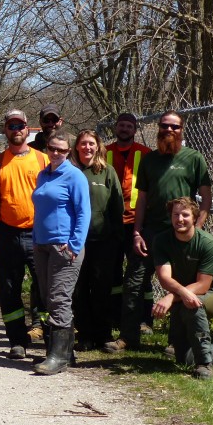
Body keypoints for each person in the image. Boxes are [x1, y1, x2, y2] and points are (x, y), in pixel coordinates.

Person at [106, 109, 210, 353]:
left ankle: (176, 342)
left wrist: (197, 228)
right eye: (165, 126)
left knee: (179, 286)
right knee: (133, 283)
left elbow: (206, 198)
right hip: (151, 233)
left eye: (174, 126)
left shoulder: (194, 158)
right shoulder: (149, 160)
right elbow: (141, 199)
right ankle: (128, 337)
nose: (169, 130)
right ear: (159, 128)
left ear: (182, 130)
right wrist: (138, 232)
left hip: (181, 235)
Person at [0, 109, 49, 359]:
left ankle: (48, 339)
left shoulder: (42, 160)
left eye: (20, 126)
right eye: (11, 126)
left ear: (27, 129)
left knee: (45, 288)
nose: (16, 130)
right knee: (9, 290)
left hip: (39, 234)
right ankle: (17, 341)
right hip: (7, 235)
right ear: (5, 130)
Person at [153, 196, 213, 379]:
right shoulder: (162, 241)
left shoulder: (208, 243)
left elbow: (203, 285)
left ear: (194, 217)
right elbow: (164, 278)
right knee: (184, 358)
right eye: (175, 215)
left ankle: (205, 365)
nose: (180, 219)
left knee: (193, 304)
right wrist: (180, 294)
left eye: (185, 215)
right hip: (181, 296)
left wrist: (172, 297)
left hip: (212, 293)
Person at [30, 129, 90, 374]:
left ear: (68, 152)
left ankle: (58, 357)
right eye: (52, 148)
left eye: (61, 150)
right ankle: (66, 351)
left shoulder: (74, 176)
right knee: (48, 298)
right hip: (42, 245)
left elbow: (84, 212)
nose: (55, 153)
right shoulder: (43, 175)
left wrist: (75, 244)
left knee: (59, 298)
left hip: (64, 247)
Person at [71, 129, 123, 351]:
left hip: (103, 241)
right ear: (76, 147)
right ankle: (84, 335)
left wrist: (116, 239)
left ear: (98, 146)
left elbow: (116, 207)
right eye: (83, 144)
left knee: (101, 288)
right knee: (79, 289)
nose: (87, 148)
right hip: (76, 242)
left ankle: (103, 333)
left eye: (91, 143)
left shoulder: (107, 173)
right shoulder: (70, 172)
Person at [105, 112, 154, 332]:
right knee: (113, 271)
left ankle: (145, 319)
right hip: (111, 223)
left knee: (141, 272)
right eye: (121, 125)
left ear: (135, 130)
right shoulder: (104, 152)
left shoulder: (145, 154)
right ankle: (115, 316)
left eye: (129, 126)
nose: (124, 129)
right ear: (115, 128)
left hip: (138, 223)